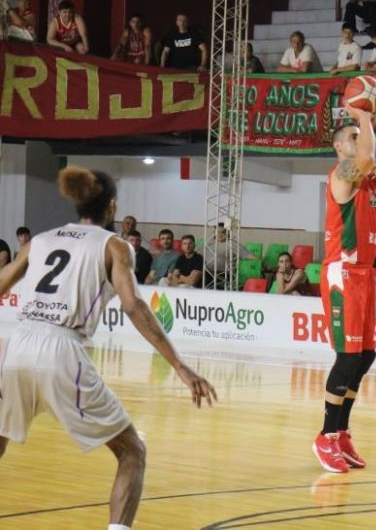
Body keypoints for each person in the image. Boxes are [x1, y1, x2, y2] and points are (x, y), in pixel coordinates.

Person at [0, 165, 216, 530]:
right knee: (132, 451)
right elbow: (133, 305)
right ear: (112, 206)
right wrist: (179, 365)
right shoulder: (113, 245)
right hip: (61, 348)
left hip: (17, 346)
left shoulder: (40, 240)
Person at [313, 82, 376, 473]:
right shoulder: (341, 174)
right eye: (353, 137)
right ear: (340, 147)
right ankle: (325, 435)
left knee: (366, 353)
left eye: (361, 135)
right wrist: (363, 114)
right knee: (347, 356)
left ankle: (341, 431)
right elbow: (368, 156)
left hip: (363, 276)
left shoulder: (370, 181)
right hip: (342, 272)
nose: (360, 139)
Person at [204, 223, 256, 289]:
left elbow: (251, 256)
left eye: (223, 232)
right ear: (214, 232)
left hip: (224, 275)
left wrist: (260, 261)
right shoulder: (208, 243)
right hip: (205, 272)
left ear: (228, 232)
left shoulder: (233, 244)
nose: (220, 234)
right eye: (218, 232)